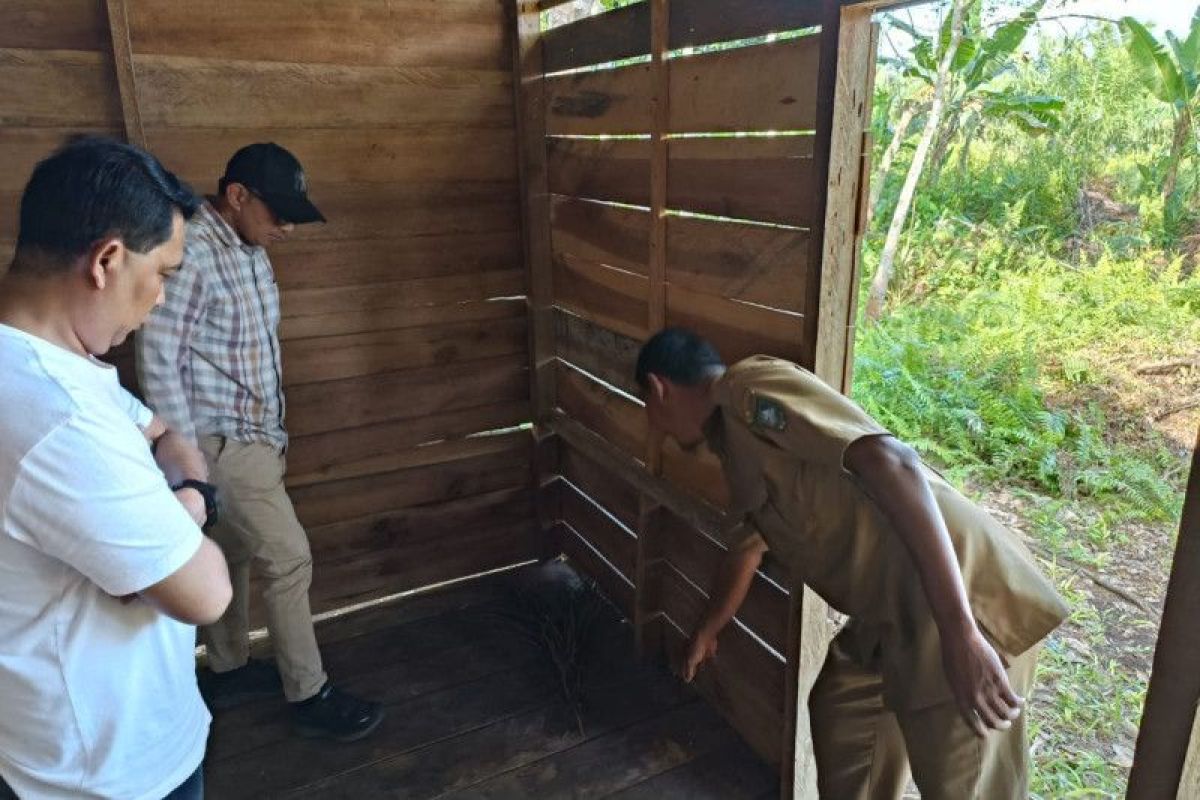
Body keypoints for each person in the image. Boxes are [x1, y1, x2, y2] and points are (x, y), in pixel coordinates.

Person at [635, 327, 1070, 800]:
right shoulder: (732, 446)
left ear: (659, 389)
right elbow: (748, 547)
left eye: (648, 409)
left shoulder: (748, 389)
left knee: (965, 785)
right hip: (890, 615)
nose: (653, 425)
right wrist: (709, 630)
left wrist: (960, 632)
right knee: (842, 709)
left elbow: (891, 459)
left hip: (956, 598)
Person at [0, 137, 233, 799]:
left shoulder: (56, 369)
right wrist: (193, 504)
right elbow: (206, 592)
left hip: (51, 743)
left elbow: (163, 432)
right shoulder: (59, 417)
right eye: (162, 272)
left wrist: (166, 516)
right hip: (107, 770)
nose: (159, 299)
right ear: (106, 259)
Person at [135, 143, 382, 741]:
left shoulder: (248, 247)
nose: (289, 225)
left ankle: (227, 667)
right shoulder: (191, 249)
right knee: (288, 557)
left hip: (253, 438)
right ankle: (309, 690)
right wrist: (188, 463)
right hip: (219, 444)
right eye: (279, 212)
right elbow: (160, 355)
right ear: (237, 196)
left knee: (235, 553)